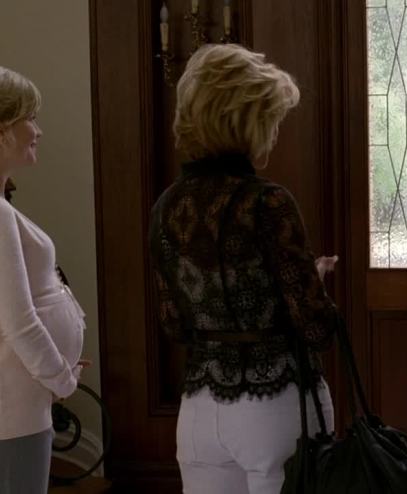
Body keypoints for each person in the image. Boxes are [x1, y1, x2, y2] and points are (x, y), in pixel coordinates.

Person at [148, 44, 339, 493]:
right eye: (271, 119)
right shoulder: (267, 202)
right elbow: (317, 329)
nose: (273, 133)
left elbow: (174, 324)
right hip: (275, 404)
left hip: (199, 411)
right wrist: (314, 284)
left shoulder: (166, 206)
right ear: (246, 121)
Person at [0, 67, 86, 494]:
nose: (38, 131)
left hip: (20, 402)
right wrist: (62, 379)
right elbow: (19, 322)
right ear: (2, 130)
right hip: (15, 411)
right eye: (30, 118)